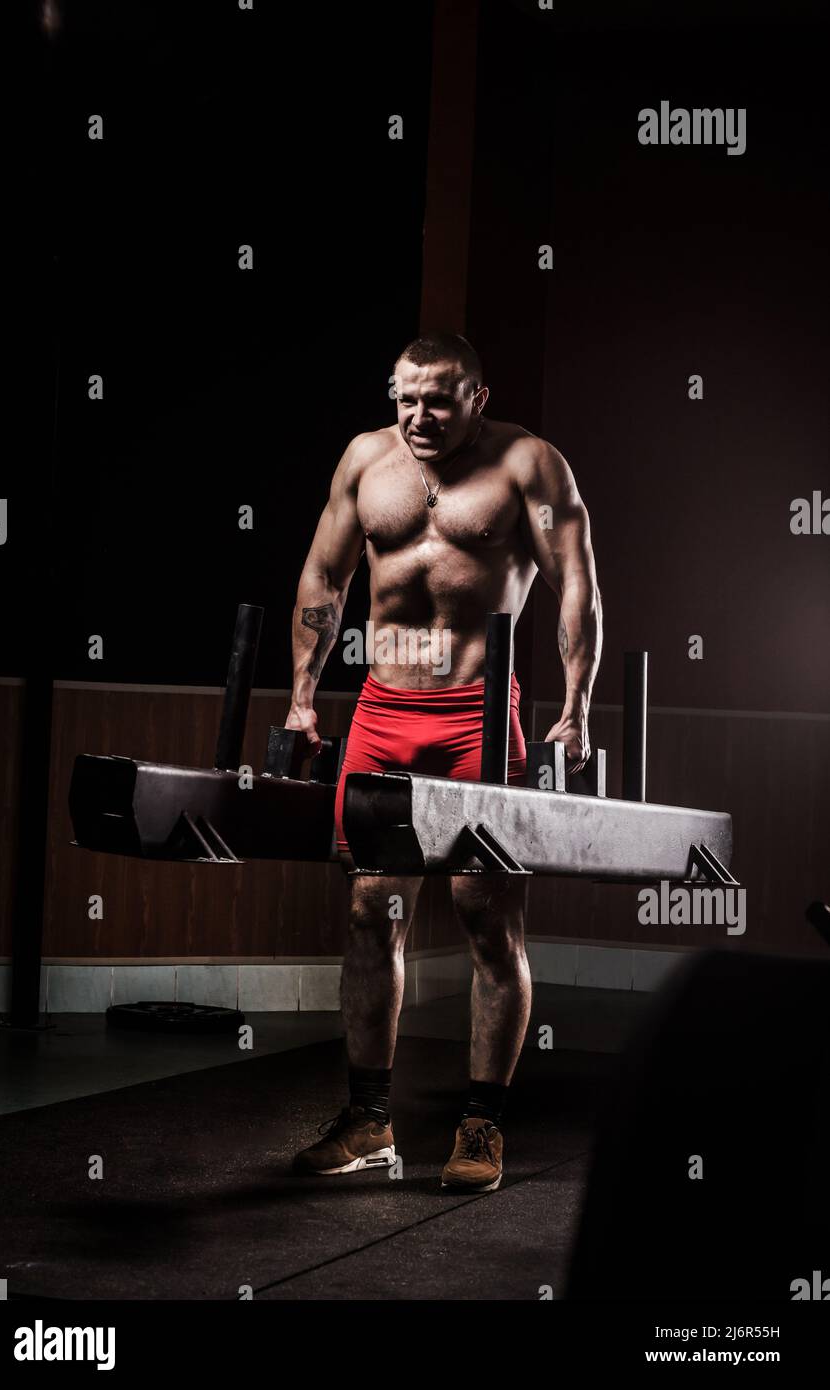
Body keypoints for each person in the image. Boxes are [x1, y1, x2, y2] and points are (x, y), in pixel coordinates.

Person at [286, 331, 602, 1191]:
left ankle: (482, 1125)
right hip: (384, 708)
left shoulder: (529, 465)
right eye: (405, 399)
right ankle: (369, 1121)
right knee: (369, 910)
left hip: (476, 710)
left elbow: (575, 583)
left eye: (439, 400)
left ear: (480, 396)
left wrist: (573, 708)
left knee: (484, 914)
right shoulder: (365, 461)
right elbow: (324, 577)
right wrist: (304, 697)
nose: (418, 416)